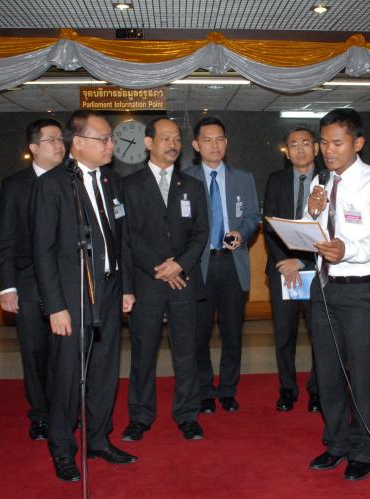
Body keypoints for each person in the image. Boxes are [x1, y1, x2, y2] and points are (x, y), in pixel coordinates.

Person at [32, 110, 135, 482]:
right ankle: (62, 449)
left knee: (105, 372)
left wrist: (126, 287)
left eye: (110, 139)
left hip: (109, 290)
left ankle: (99, 439)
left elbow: (121, 239)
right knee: (67, 376)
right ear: (77, 142)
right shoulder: (53, 185)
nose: (111, 145)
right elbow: (42, 251)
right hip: (72, 296)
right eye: (103, 139)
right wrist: (55, 306)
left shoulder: (111, 179)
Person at [305, 108, 370, 481]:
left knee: (361, 374)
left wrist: (349, 250)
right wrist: (311, 212)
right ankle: (336, 443)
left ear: (357, 143)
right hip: (323, 287)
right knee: (327, 373)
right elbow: (311, 234)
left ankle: (365, 448)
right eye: (324, 143)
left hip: (359, 289)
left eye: (336, 143)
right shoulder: (321, 181)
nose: (328, 150)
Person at [121, 117, 209, 442]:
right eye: (165, 138)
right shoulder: (129, 186)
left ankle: (187, 415)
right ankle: (140, 416)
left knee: (186, 352)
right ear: (148, 143)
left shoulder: (192, 186)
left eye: (177, 139)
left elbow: (201, 232)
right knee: (143, 353)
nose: (173, 144)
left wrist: (179, 265)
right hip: (147, 281)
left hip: (183, 280)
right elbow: (128, 236)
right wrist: (160, 267)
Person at [0, 118, 65, 441]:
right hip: (28, 281)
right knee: (35, 351)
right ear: (34, 147)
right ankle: (40, 414)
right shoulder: (15, 185)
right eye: (52, 140)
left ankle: (65, 411)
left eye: (61, 139)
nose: (59, 145)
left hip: (66, 281)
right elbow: (6, 239)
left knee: (64, 352)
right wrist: (7, 286)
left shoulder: (73, 180)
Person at [188, 117, 260, 414]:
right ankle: (205, 390)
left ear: (226, 143)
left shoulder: (243, 178)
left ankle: (228, 389)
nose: (214, 145)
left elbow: (253, 216)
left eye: (219, 139)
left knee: (232, 333)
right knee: (199, 333)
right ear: (196, 145)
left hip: (232, 264)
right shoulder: (185, 179)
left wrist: (242, 233)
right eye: (207, 140)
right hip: (199, 266)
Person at [263, 126, 322, 413]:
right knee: (284, 333)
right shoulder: (276, 180)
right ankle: (287, 389)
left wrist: (301, 262)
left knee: (318, 333)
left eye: (305, 143)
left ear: (316, 148)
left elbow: (331, 228)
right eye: (293, 145)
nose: (300, 149)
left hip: (317, 269)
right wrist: (286, 263)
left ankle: (317, 389)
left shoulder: (329, 180)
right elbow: (270, 226)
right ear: (287, 152)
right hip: (282, 268)